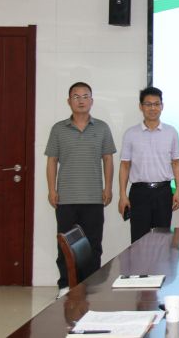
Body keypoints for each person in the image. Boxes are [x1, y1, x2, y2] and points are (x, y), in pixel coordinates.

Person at [45, 82, 115, 296]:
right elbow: (52, 161)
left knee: (93, 245)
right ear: (69, 101)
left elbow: (108, 159)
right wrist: (51, 190)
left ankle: (90, 285)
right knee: (65, 245)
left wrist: (108, 188)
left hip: (94, 198)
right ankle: (65, 285)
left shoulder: (102, 127)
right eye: (76, 96)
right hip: (66, 198)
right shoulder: (58, 129)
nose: (81, 100)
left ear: (91, 101)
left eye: (85, 96)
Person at [118, 86, 179, 243]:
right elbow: (125, 165)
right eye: (148, 104)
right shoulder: (130, 134)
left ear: (162, 106)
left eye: (156, 104)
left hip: (163, 192)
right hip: (139, 193)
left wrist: (178, 190)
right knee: (139, 240)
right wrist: (123, 195)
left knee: (162, 240)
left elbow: (176, 163)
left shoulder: (171, 132)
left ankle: (161, 262)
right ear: (141, 107)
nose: (153, 108)